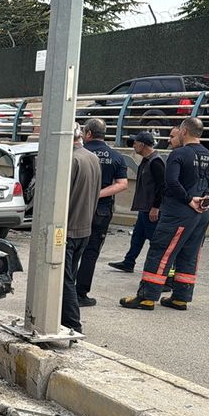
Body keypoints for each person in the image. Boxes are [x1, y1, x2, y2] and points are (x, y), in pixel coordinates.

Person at [120, 117, 209, 311]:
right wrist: (206, 198)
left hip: (179, 213)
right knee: (189, 254)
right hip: (202, 214)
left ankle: (146, 297)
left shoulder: (179, 154)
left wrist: (189, 200)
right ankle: (180, 297)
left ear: (184, 131)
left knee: (161, 251)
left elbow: (172, 183)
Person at [75, 118, 128, 307]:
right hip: (102, 210)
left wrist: (89, 193)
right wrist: (99, 194)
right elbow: (122, 184)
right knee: (91, 252)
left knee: (70, 249)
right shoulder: (115, 156)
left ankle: (64, 290)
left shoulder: (80, 153)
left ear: (88, 133)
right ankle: (80, 294)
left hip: (77, 208)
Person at [62, 123, 102, 333]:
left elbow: (61, 199)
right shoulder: (92, 157)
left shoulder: (70, 160)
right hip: (84, 228)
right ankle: (62, 319)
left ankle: (71, 324)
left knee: (64, 279)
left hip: (67, 230)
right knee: (69, 276)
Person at [108, 132, 165, 272]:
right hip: (144, 207)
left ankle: (159, 269)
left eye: (135, 143)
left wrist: (156, 207)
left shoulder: (156, 161)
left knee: (155, 240)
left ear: (142, 144)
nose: (133, 146)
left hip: (150, 209)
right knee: (137, 237)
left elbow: (162, 186)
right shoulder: (147, 160)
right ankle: (128, 262)